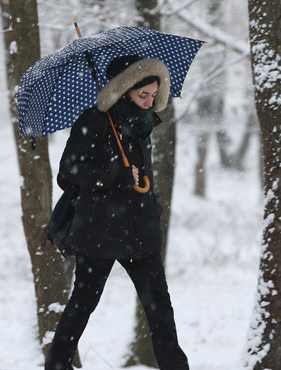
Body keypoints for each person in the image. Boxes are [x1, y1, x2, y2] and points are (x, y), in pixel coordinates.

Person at [44, 55, 189, 370]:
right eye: (142, 95)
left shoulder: (144, 123)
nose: (149, 102)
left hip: (141, 231)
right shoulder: (94, 120)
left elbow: (141, 175)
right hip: (100, 230)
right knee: (83, 304)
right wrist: (112, 175)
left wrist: (152, 205)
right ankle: (56, 365)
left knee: (160, 308)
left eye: (153, 95)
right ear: (124, 91)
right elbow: (68, 173)